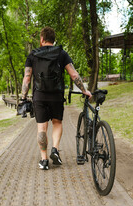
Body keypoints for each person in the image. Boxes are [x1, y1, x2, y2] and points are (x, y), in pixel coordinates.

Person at [22, 26, 92, 170]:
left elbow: (27, 79)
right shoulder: (62, 53)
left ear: (41, 39)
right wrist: (84, 90)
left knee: (42, 127)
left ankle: (44, 160)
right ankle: (55, 149)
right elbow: (74, 75)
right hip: (56, 95)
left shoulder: (32, 55)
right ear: (54, 40)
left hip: (39, 96)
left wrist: (23, 97)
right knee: (57, 123)